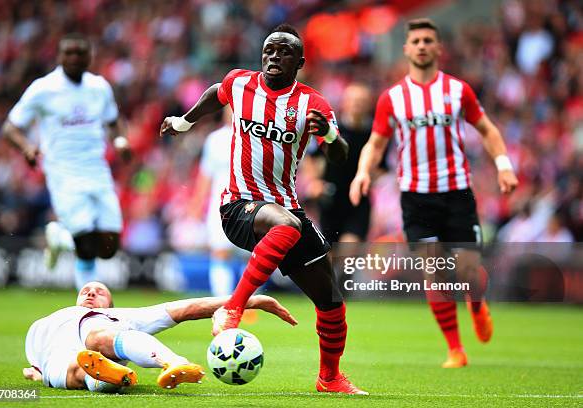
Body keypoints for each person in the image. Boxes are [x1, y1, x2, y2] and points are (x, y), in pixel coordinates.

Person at [161, 24, 367, 395]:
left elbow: (339, 155)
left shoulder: (313, 104)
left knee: (331, 301)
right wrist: (183, 121)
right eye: (269, 50)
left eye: (284, 52)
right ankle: (233, 308)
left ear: (300, 62)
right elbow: (215, 94)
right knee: (286, 225)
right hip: (238, 206)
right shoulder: (240, 83)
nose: (274, 56)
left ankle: (330, 378)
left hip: (285, 207)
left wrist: (333, 137)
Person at [350, 18, 518, 368]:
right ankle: (455, 349)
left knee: (469, 270)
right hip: (416, 197)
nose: (423, 45)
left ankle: (476, 302)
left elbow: (487, 130)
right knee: (435, 271)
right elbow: (376, 143)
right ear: (407, 48)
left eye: (429, 39)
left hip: (456, 191)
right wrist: (363, 173)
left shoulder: (458, 91)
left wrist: (503, 164)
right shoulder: (392, 98)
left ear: (439, 48)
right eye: (417, 40)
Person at [1, 33, 131, 289]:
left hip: (97, 169)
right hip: (63, 172)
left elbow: (113, 120)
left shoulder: (99, 87)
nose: (73, 58)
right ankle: (91, 310)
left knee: (109, 248)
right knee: (85, 242)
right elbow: (10, 127)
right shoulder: (44, 88)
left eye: (78, 53)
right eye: (67, 53)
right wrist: (27, 147)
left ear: (89, 57)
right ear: (59, 56)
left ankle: (60, 237)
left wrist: (119, 142)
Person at [23, 281, 296, 391]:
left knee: (96, 341)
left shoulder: (120, 316)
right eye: (86, 290)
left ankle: (172, 362)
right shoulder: (52, 321)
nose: (91, 293)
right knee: (75, 371)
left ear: (111, 305)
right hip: (53, 361)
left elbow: (188, 308)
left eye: (100, 291)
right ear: (76, 298)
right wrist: (36, 373)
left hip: (94, 338)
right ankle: (106, 378)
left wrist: (252, 300)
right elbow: (38, 368)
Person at [317, 83, 380, 243]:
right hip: (331, 198)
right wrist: (314, 182)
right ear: (344, 103)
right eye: (353, 100)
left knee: (349, 248)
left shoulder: (375, 134)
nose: (357, 104)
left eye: (362, 101)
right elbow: (313, 157)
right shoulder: (331, 129)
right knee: (328, 251)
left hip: (359, 199)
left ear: (370, 104)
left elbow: (382, 166)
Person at [188, 107, 240, 296]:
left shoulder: (254, 137)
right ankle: (222, 301)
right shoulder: (215, 139)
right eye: (230, 109)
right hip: (220, 203)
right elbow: (205, 175)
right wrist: (196, 204)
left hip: (249, 200)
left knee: (252, 254)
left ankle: (249, 302)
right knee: (220, 252)